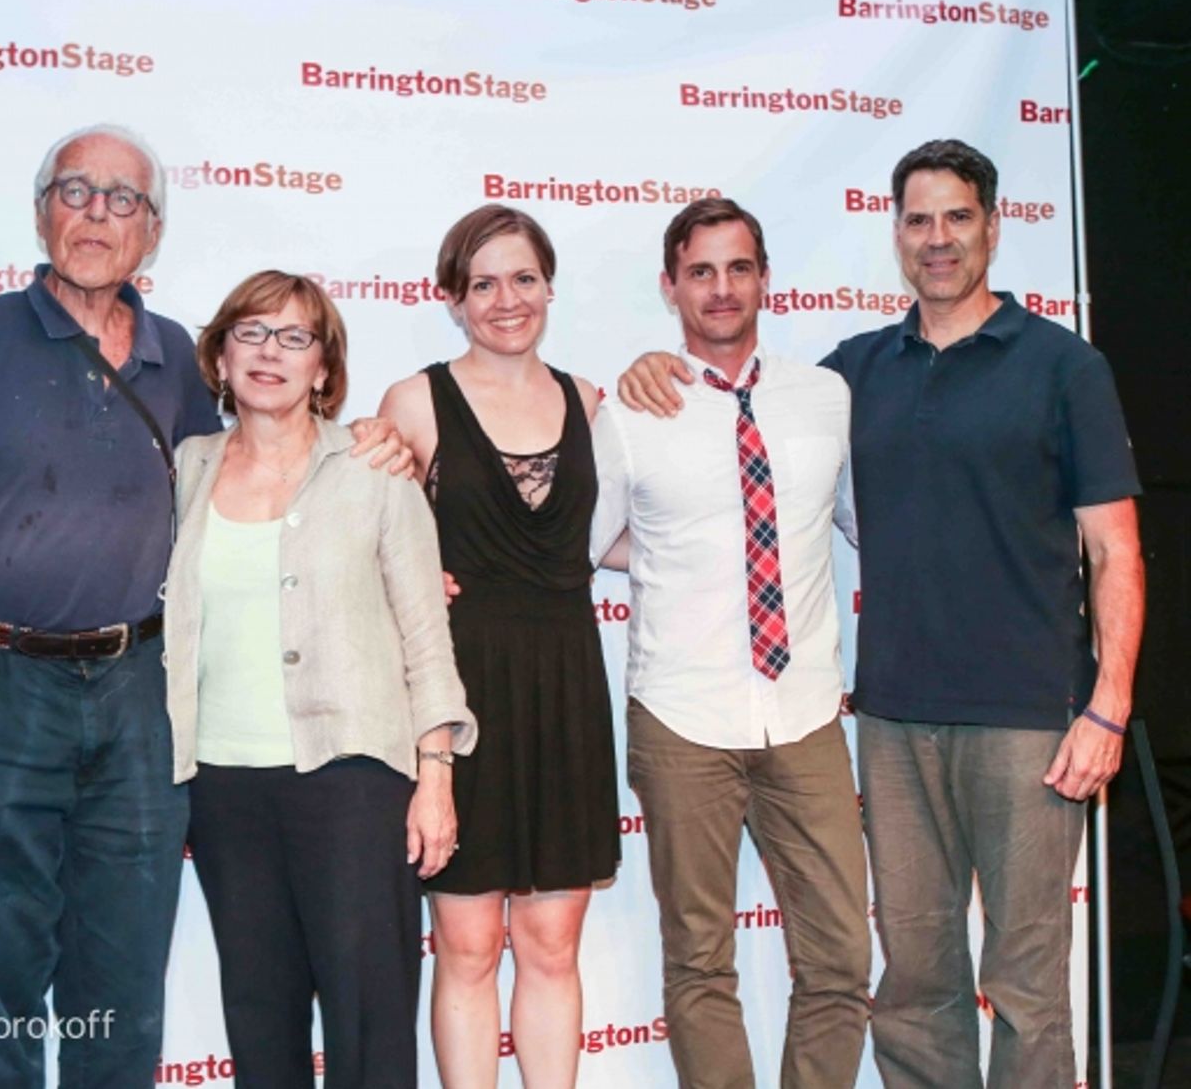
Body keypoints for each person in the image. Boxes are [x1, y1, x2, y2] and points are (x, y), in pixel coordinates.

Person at [0, 124, 405, 1087]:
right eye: (75, 191)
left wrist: (379, 444)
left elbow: (271, 473)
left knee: (119, 985)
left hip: (138, 701)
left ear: (150, 232)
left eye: (124, 200)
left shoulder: (182, 365)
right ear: (42, 212)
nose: (97, 214)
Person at [617, 142, 1145, 1088]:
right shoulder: (847, 377)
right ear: (895, 233)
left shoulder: (1066, 367)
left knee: (1025, 987)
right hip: (892, 722)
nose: (937, 239)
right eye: (917, 220)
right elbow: (742, 451)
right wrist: (654, 368)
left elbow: (1115, 550)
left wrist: (1106, 707)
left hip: (1032, 722)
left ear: (994, 224)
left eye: (957, 217)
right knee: (913, 983)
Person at [166, 270, 476, 1089]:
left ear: (324, 369)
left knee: (368, 1024)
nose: (271, 352)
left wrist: (436, 775)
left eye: (295, 336)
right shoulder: (185, 468)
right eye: (251, 332)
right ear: (221, 356)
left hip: (355, 782)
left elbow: (425, 634)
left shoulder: (378, 469)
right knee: (260, 1020)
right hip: (224, 786)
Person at [591, 198, 870, 1089]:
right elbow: (591, 545)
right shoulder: (634, 409)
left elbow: (858, 522)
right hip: (682, 717)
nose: (721, 288)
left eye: (738, 268)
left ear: (764, 280)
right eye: (701, 271)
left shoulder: (825, 397)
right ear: (672, 286)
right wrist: (688, 554)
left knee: (839, 960)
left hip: (805, 713)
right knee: (700, 962)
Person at [377, 205, 621, 1089]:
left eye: (522, 278)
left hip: (566, 686)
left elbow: (631, 532)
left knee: (554, 946)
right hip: (461, 692)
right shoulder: (413, 402)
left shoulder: (593, 401)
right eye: (482, 283)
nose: (505, 300)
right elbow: (365, 538)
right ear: (453, 299)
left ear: (549, 287)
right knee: (468, 947)